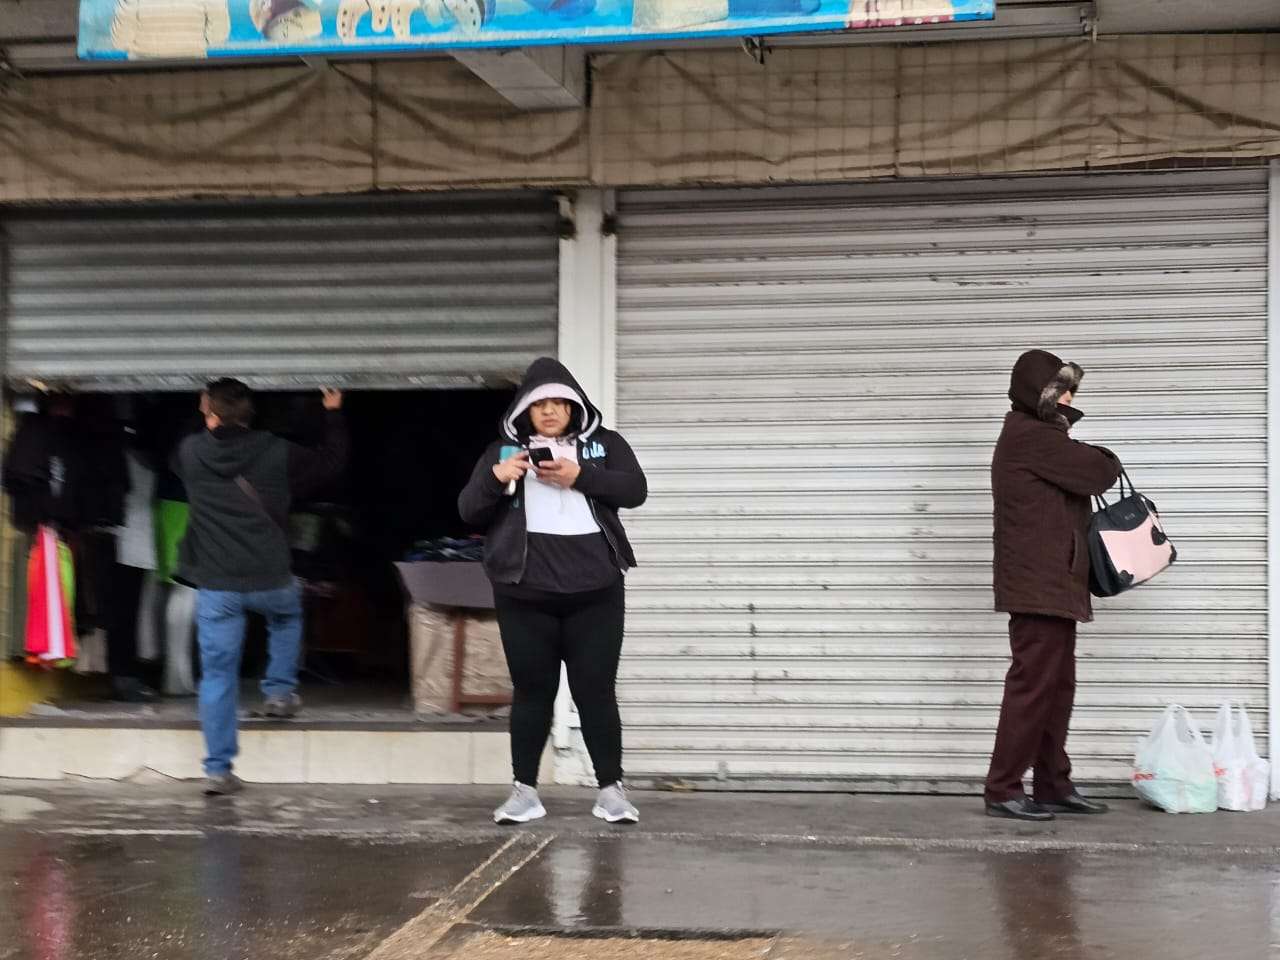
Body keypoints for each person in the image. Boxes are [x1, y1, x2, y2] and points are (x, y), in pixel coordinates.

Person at [458, 358, 647, 825]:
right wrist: (496, 478)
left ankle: (611, 792)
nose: (549, 411)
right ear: (525, 409)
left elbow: (635, 490)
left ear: (574, 407)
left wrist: (579, 476)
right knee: (531, 691)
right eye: (539, 403)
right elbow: (468, 510)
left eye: (559, 403)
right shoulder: (504, 451)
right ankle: (524, 792)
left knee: (596, 691)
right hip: (525, 593)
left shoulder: (604, 445)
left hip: (596, 590)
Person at [173, 379, 348, 795]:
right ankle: (280, 692)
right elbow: (331, 462)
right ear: (250, 413)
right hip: (270, 576)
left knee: (217, 675)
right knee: (286, 617)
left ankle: (218, 770)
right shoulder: (275, 450)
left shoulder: (191, 452)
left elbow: (183, 451)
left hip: (217, 584)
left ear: (209, 412)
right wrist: (334, 413)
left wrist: (204, 415)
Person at [985, 350, 1123, 822]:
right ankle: (1003, 787)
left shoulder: (1040, 435)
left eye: (1071, 391)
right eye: (1062, 391)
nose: (1069, 399)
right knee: (1032, 688)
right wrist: (1103, 453)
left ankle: (1052, 784)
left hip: (1054, 583)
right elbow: (1098, 472)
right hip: (1038, 585)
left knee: (1056, 689)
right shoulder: (1031, 436)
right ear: (1038, 395)